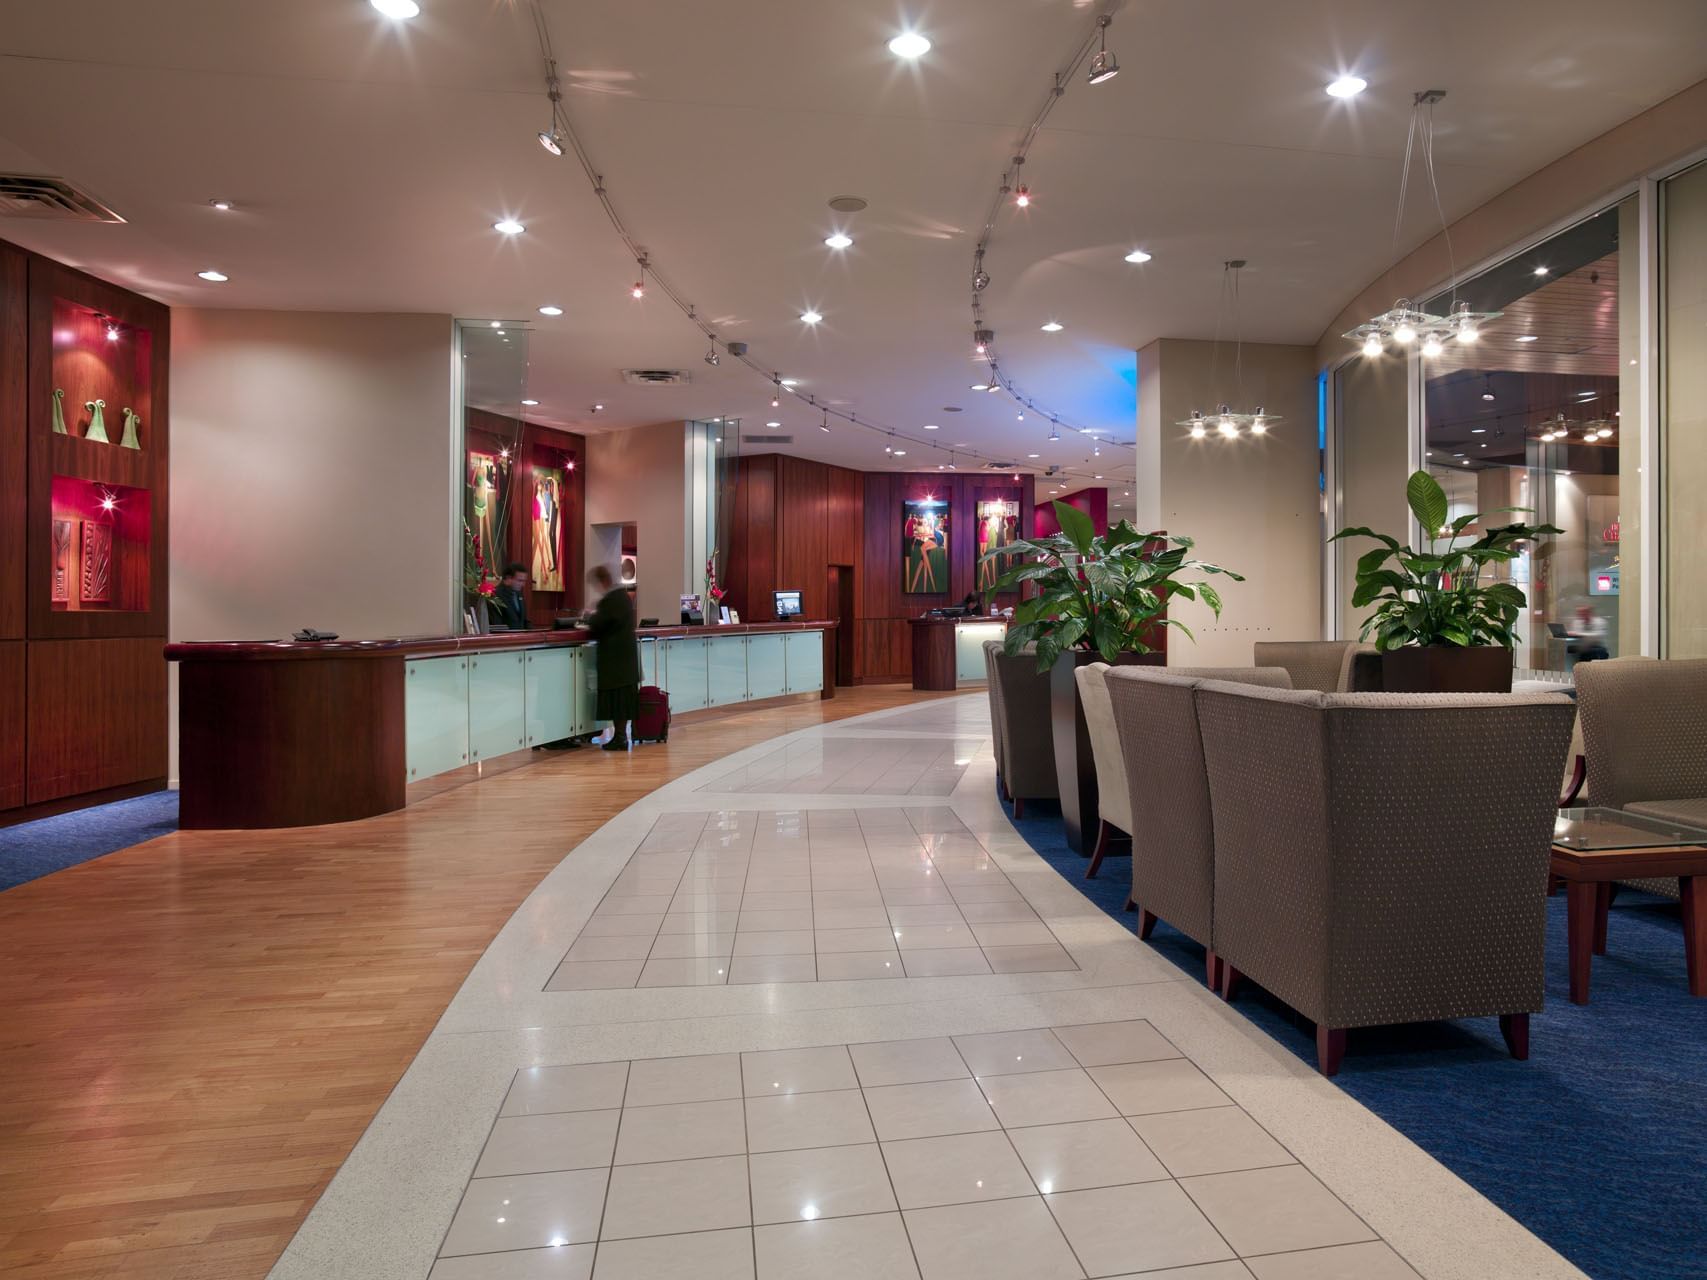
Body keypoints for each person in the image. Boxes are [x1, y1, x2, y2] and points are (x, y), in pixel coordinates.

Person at [586, 565, 641, 750]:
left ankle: (619, 738)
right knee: (623, 701)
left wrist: (590, 616)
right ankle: (620, 736)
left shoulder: (610, 600)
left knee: (617, 701)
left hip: (615, 662)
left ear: (602, 581)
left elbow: (598, 625)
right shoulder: (623, 597)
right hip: (625, 661)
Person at [491, 563, 529, 629]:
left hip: (520, 634)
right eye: (520, 581)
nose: (523, 585)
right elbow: (497, 624)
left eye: (524, 581)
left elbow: (523, 620)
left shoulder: (519, 594)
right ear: (508, 578)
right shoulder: (495, 595)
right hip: (506, 634)